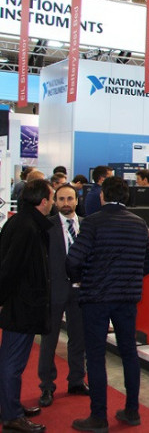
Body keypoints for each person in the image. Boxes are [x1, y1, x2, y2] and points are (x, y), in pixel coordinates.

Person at [66, 176, 149, 432]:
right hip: (127, 298)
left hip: (96, 297)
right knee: (129, 353)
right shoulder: (139, 223)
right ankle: (132, 411)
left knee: (95, 356)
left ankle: (98, 416)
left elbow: (74, 260)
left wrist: (80, 279)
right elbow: (147, 264)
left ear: (103, 196)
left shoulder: (92, 222)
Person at [0, 180, 54, 433]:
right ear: (43, 201)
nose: (53, 203)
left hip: (23, 304)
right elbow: (9, 269)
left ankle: (10, 406)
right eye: (52, 198)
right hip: (21, 306)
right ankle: (11, 415)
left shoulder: (24, 222)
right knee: (12, 362)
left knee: (14, 361)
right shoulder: (27, 227)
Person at [38, 183, 89, 409]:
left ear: (77, 200)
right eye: (61, 199)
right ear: (55, 202)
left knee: (78, 338)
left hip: (81, 290)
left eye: (70, 199)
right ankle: (47, 385)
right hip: (54, 290)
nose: (66, 203)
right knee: (49, 340)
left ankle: (76, 380)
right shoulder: (46, 227)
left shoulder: (87, 225)